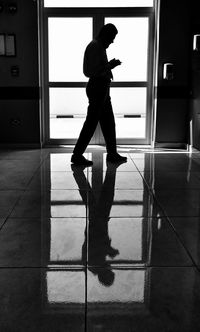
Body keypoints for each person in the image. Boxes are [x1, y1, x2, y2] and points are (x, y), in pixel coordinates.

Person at [71, 23, 127, 166]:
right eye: (112, 37)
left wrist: (108, 65)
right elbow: (90, 72)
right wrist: (109, 66)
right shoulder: (95, 46)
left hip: (101, 89)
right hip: (98, 88)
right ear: (106, 35)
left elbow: (96, 69)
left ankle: (112, 153)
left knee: (108, 123)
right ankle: (77, 155)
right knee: (92, 123)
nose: (112, 41)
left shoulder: (98, 46)